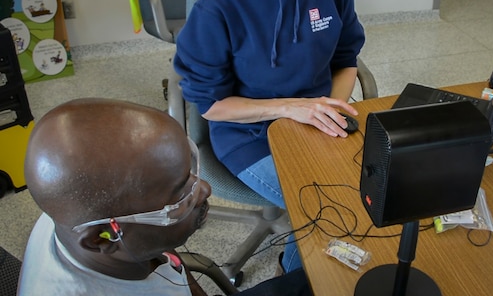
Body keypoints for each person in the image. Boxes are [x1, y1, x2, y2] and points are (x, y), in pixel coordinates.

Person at [173, 0, 365, 273]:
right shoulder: (219, 3)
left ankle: (301, 270)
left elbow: (346, 60)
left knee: (369, 190)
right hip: (248, 134)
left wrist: (329, 111)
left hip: (316, 122)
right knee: (325, 208)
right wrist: (288, 108)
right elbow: (210, 104)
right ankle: (293, 279)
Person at [17, 98, 311, 296]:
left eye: (189, 170)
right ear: (103, 238)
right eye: (180, 194)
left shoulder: (79, 211)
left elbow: (162, 258)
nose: (205, 189)